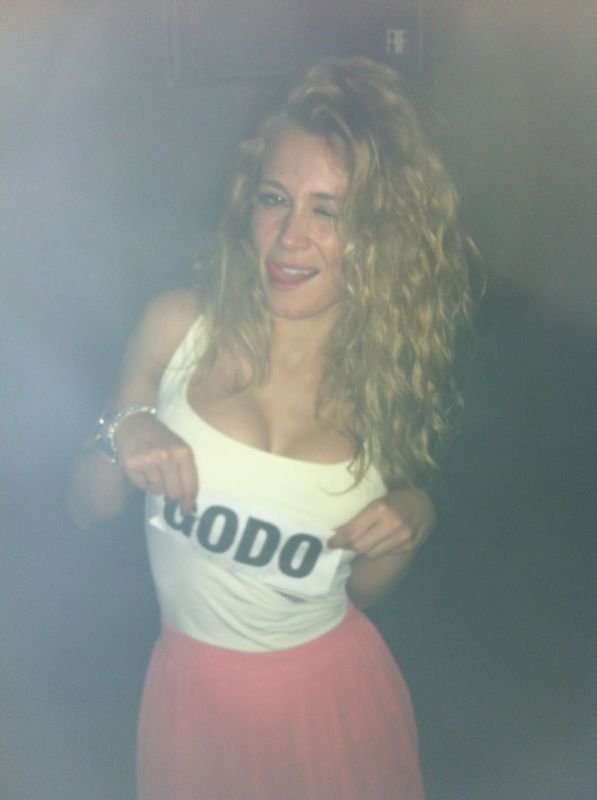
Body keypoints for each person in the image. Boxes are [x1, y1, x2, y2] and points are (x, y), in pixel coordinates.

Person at [67, 57, 475, 800]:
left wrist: (414, 518)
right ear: (247, 202)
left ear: (379, 235)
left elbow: (362, 591)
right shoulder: (177, 329)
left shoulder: (384, 390)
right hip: (193, 701)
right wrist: (121, 432)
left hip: (334, 701)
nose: (289, 238)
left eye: (328, 212)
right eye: (274, 199)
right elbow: (86, 508)